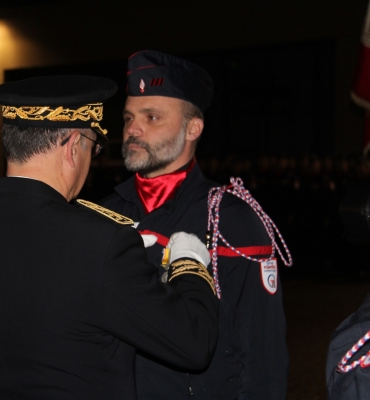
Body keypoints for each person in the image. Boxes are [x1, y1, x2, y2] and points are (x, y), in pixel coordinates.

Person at [0, 75, 219, 400]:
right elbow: (193, 344)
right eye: (92, 147)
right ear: (72, 147)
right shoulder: (102, 242)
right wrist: (189, 264)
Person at [99, 50, 289, 399]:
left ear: (193, 128)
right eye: (128, 118)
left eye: (151, 117)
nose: (132, 129)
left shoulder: (231, 219)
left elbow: (262, 352)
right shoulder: (103, 214)